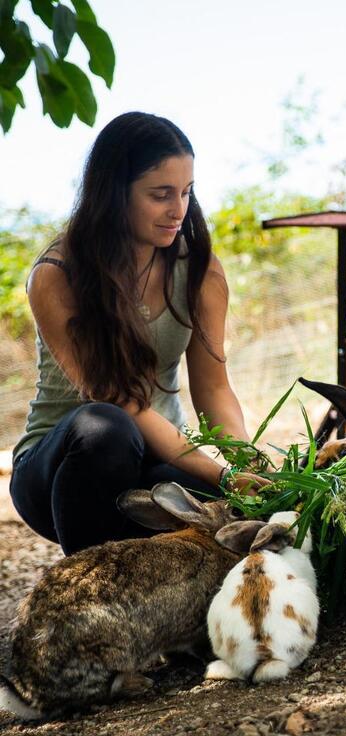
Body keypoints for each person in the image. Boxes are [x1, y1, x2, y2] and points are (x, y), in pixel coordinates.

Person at [10, 112, 266, 556]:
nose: (178, 209)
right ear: (114, 194)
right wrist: (220, 474)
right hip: (63, 468)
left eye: (186, 192)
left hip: (157, 458)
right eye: (160, 195)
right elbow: (115, 397)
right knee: (106, 428)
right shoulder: (57, 275)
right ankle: (88, 588)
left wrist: (252, 466)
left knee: (232, 515)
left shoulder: (197, 270)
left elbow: (214, 390)